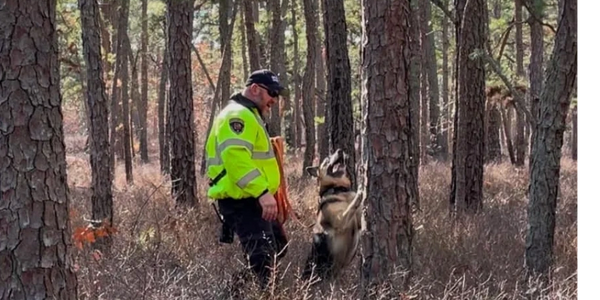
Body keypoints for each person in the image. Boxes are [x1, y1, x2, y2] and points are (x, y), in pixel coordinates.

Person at [204, 69, 289, 289]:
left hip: (255, 199)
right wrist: (262, 193)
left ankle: (236, 292)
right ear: (255, 89)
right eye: (271, 92)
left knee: (277, 247)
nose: (274, 99)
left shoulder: (249, 115)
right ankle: (256, 294)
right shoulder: (237, 115)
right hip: (245, 200)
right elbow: (236, 158)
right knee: (263, 261)